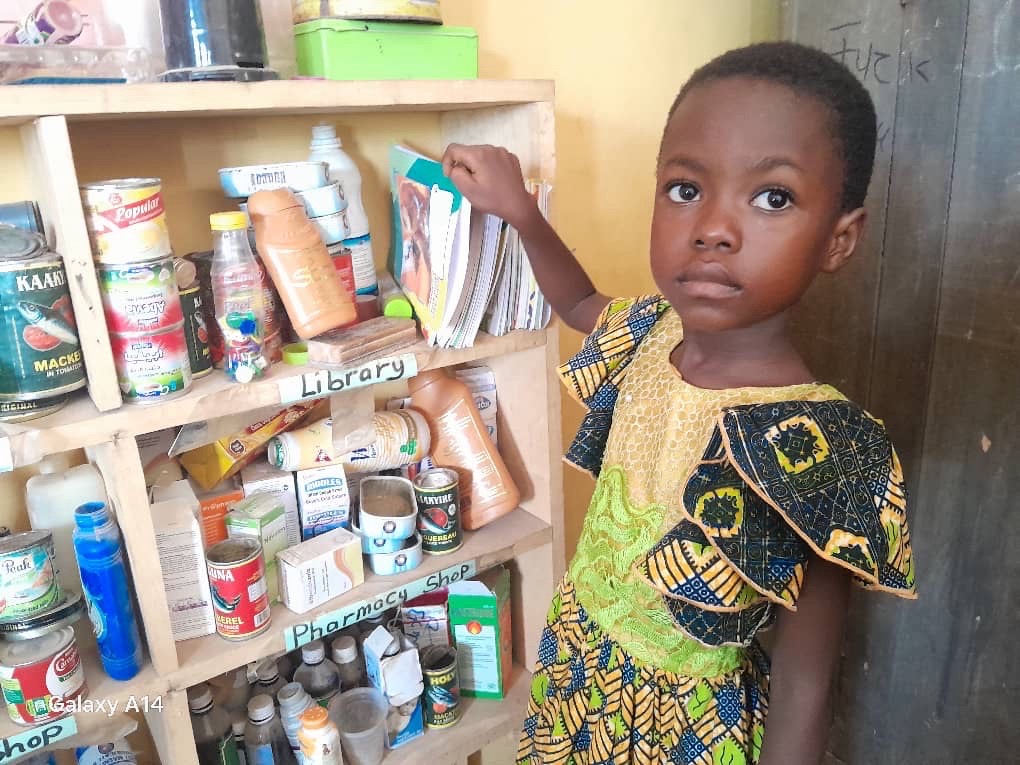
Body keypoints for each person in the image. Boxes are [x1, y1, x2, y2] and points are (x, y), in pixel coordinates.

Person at [442, 41, 917, 765]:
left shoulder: (826, 450)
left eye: (773, 198)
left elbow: (802, 687)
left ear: (839, 239)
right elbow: (574, 299)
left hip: (687, 729)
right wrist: (522, 215)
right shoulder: (645, 334)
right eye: (686, 189)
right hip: (579, 669)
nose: (713, 229)